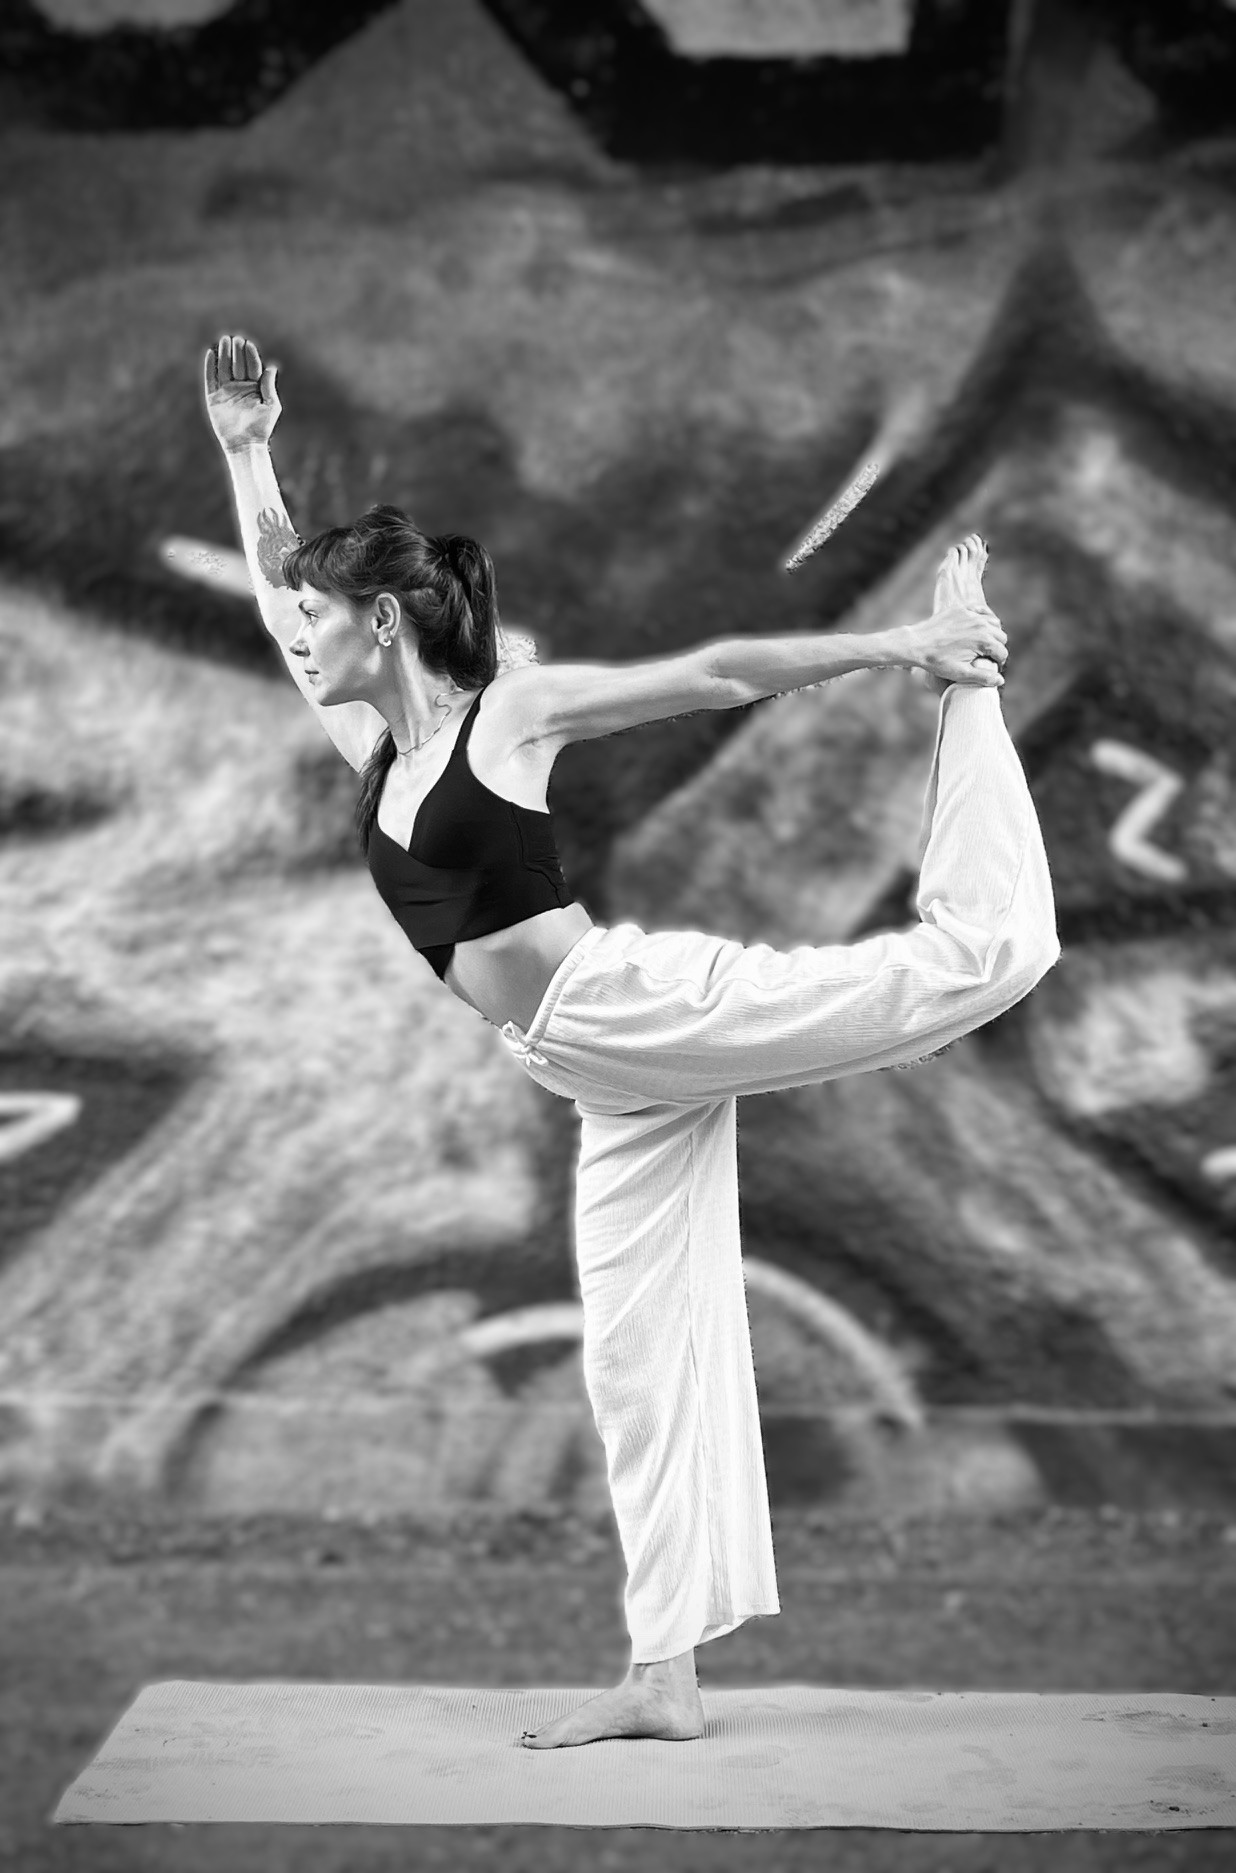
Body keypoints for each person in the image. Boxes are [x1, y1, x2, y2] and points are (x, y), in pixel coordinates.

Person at [204, 333, 1059, 1751]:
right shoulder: (380, 752)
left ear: (384, 623)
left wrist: (906, 646)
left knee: (967, 966)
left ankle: (970, 687)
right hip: (589, 1071)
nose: (297, 637)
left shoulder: (508, 716)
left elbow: (713, 673)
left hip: (628, 1007)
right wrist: (248, 455)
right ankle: (666, 1677)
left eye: (317, 620)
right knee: (636, 1361)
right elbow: (275, 574)